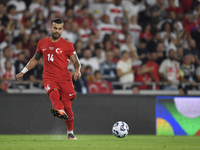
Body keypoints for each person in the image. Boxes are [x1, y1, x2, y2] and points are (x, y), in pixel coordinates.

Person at [16, 18, 81, 140]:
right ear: (50, 28)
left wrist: (77, 70)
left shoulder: (68, 45)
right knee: (54, 95)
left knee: (68, 107)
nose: (57, 31)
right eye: (55, 28)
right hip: (49, 77)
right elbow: (35, 59)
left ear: (62, 29)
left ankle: (70, 132)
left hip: (65, 78)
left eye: (59, 29)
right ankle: (58, 110)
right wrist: (23, 71)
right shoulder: (42, 43)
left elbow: (76, 61)